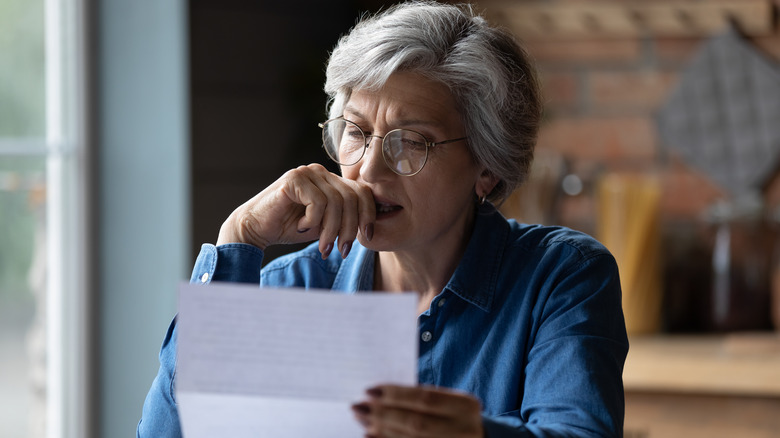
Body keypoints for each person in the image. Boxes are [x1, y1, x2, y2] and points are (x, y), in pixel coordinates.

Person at [137, 1, 628, 437]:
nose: (369, 170)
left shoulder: (561, 277)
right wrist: (237, 239)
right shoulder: (294, 287)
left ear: (487, 166)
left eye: (411, 142)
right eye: (355, 131)